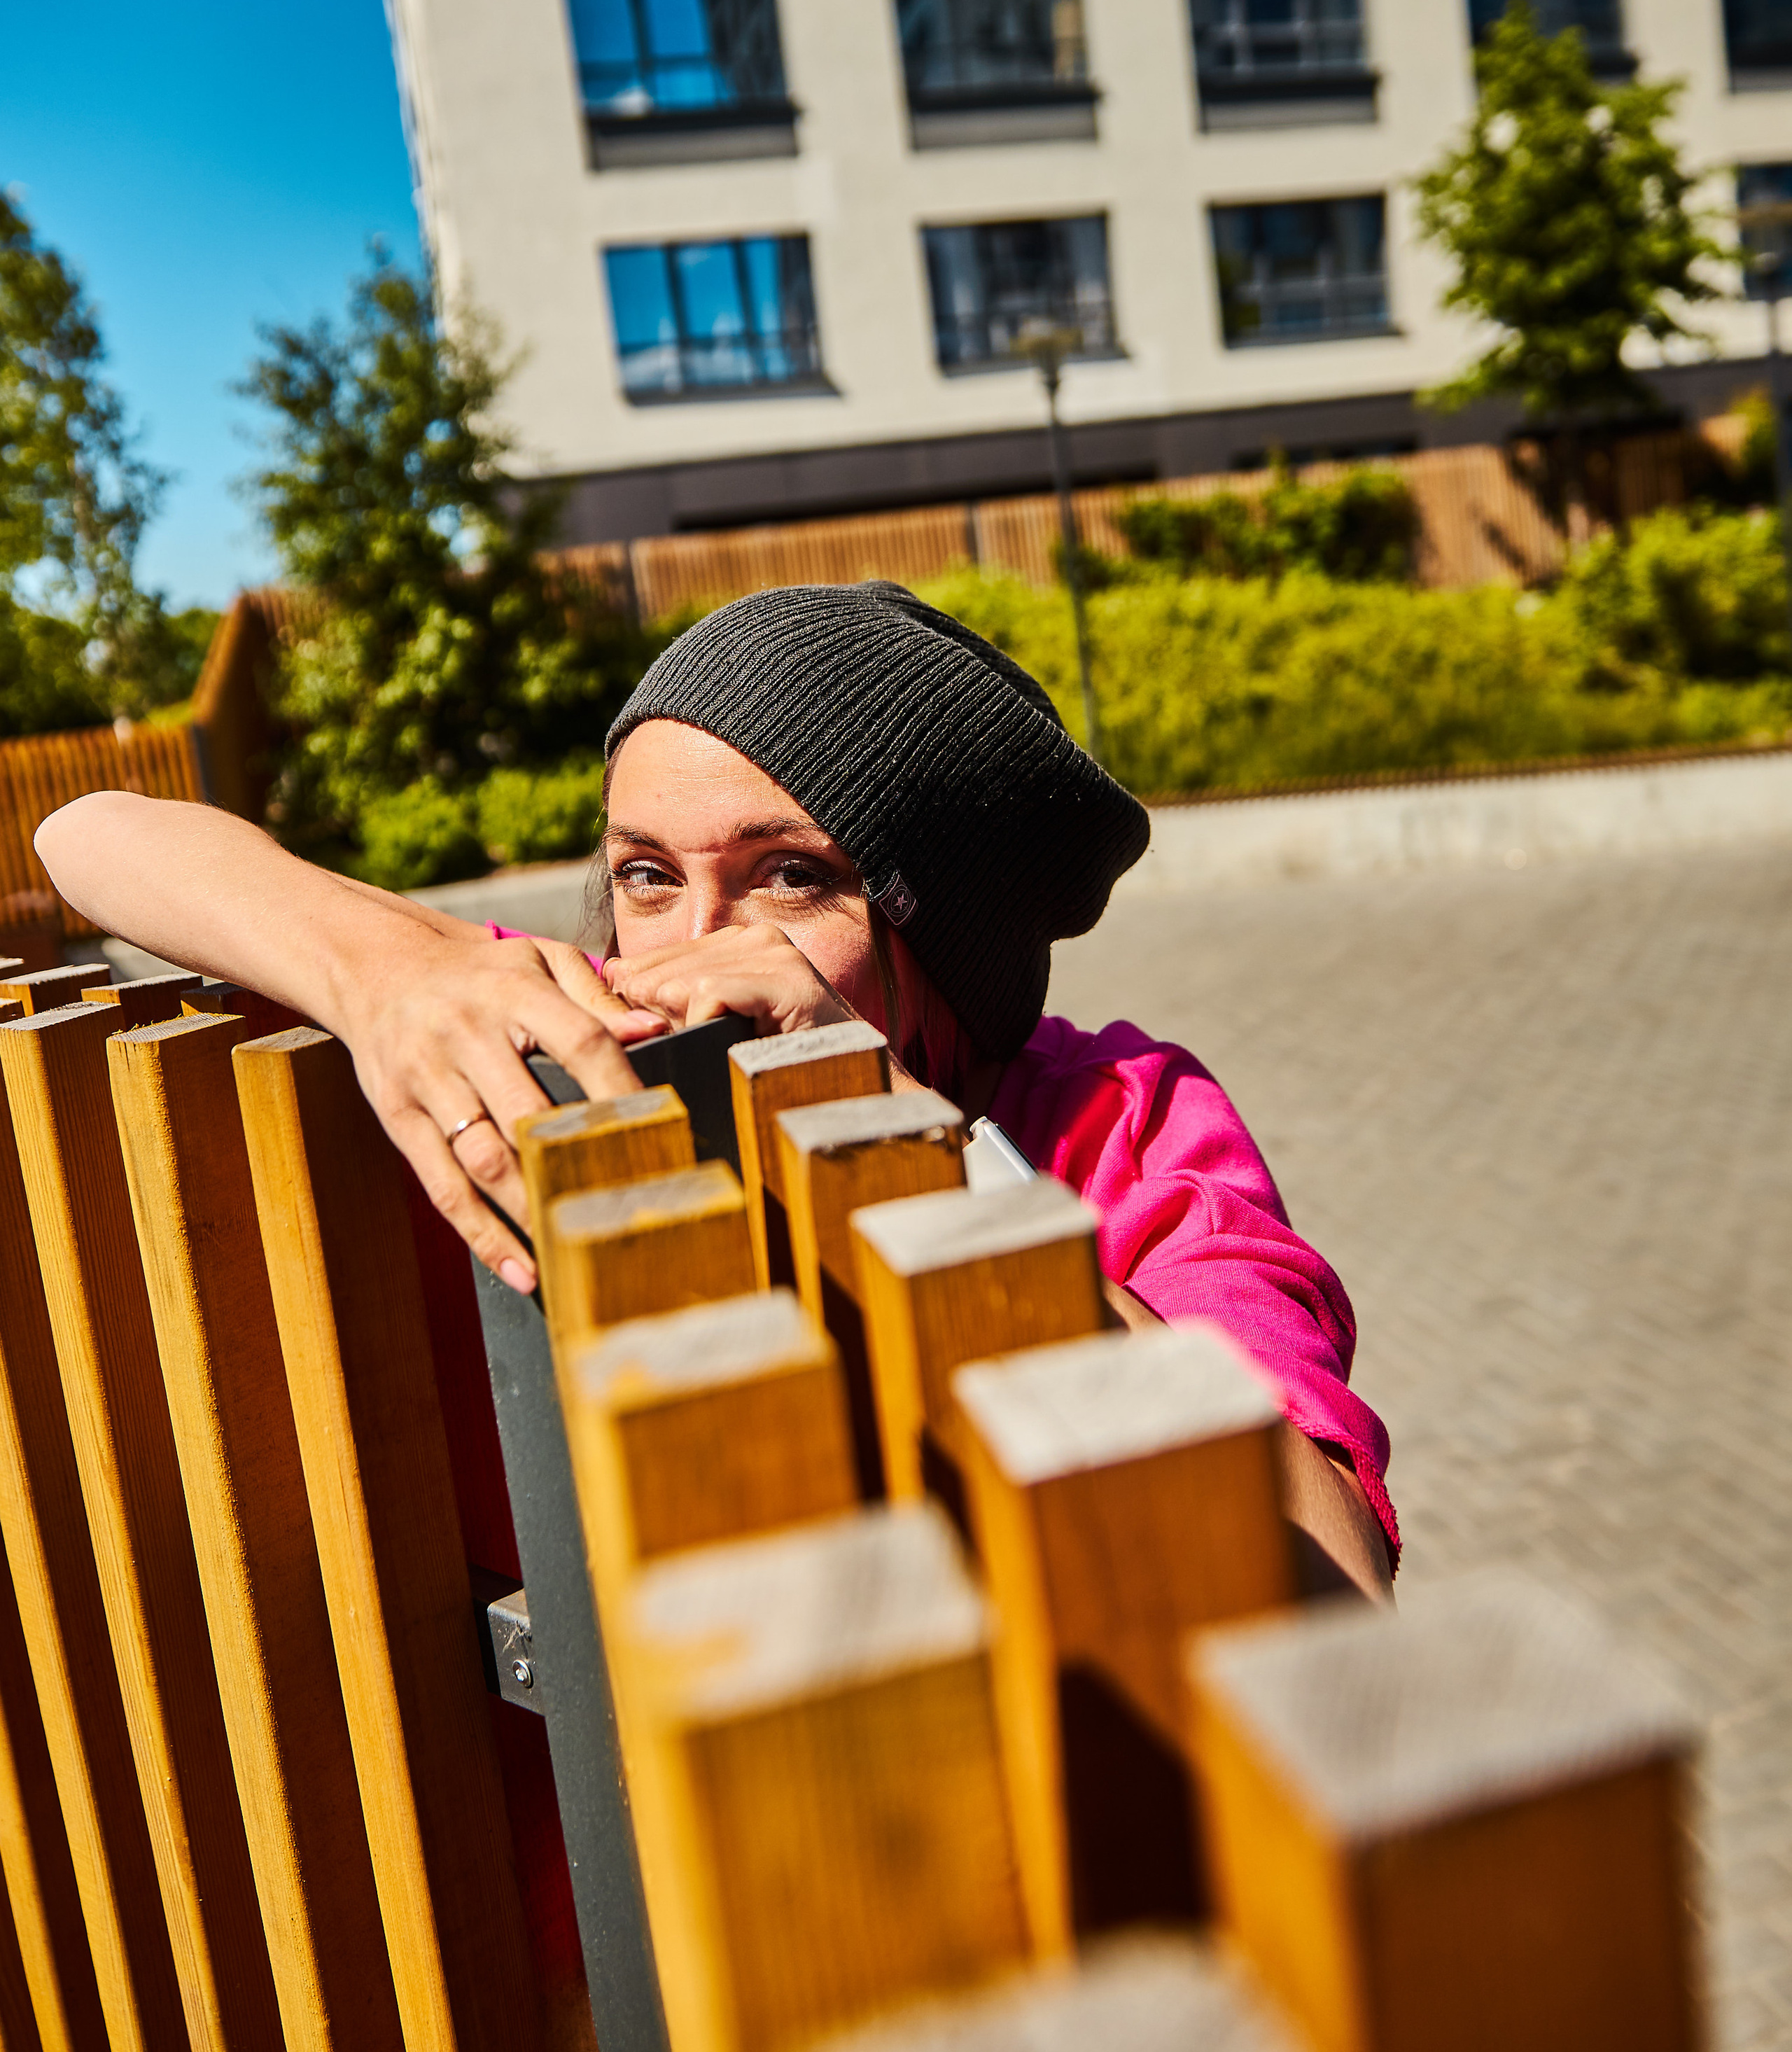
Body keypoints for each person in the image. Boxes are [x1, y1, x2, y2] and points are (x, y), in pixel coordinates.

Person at [36, 580, 1394, 1591]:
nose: (692, 950)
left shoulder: (1114, 1120)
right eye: (644, 875)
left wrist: (912, 1147)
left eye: (791, 876)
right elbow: (88, 833)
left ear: (943, 947)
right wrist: (391, 971)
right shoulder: (572, 1032)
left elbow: (1332, 1572)